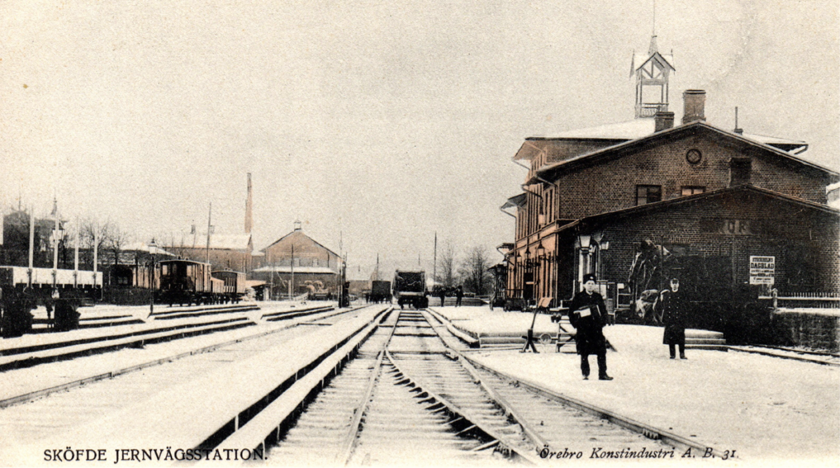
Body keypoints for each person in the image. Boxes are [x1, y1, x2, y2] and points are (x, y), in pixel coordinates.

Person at [568, 274, 612, 380]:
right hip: (584, 330)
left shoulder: (598, 297)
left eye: (593, 284)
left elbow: (603, 311)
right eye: (588, 284)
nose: (591, 286)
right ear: (584, 285)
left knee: (601, 351)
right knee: (584, 352)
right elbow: (571, 313)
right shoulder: (578, 297)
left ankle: (602, 373)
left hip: (596, 330)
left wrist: (604, 321)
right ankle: (585, 373)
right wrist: (577, 324)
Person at [660, 278, 687, 359]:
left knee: (680, 337)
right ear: (670, 285)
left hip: (679, 319)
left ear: (678, 285)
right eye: (673, 284)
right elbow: (664, 307)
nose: (674, 285)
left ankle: (682, 354)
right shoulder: (667, 295)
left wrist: (684, 319)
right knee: (671, 337)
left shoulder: (682, 295)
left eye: (676, 283)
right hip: (670, 319)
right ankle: (672, 354)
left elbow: (685, 307)